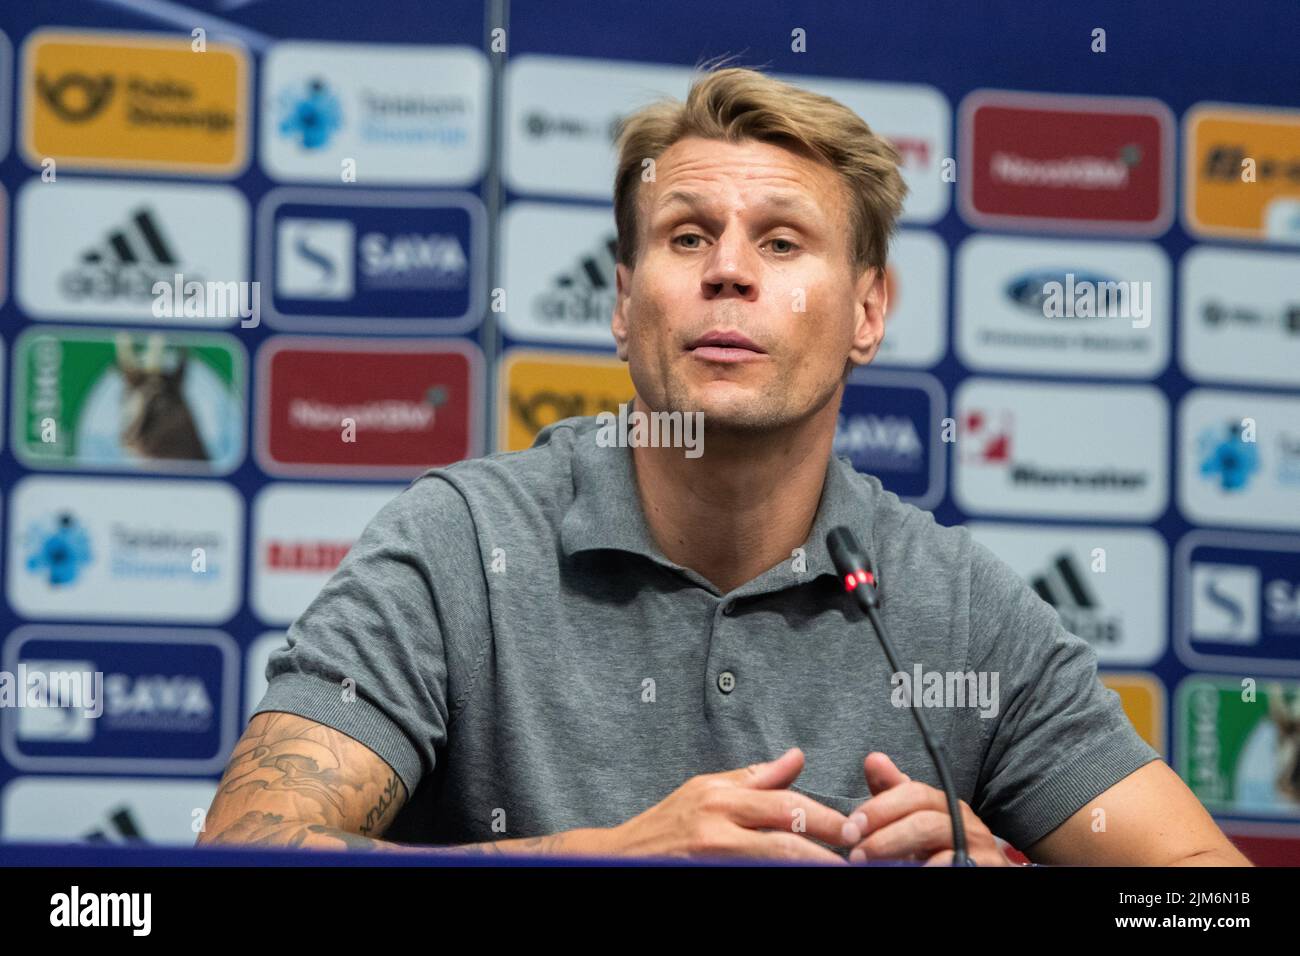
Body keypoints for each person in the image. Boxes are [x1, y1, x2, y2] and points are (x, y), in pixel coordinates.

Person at [198, 66, 1249, 865]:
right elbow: (245, 846)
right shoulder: (463, 545)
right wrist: (607, 856)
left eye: (783, 242)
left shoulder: (954, 609)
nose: (730, 272)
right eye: (687, 236)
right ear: (622, 304)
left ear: (868, 311)